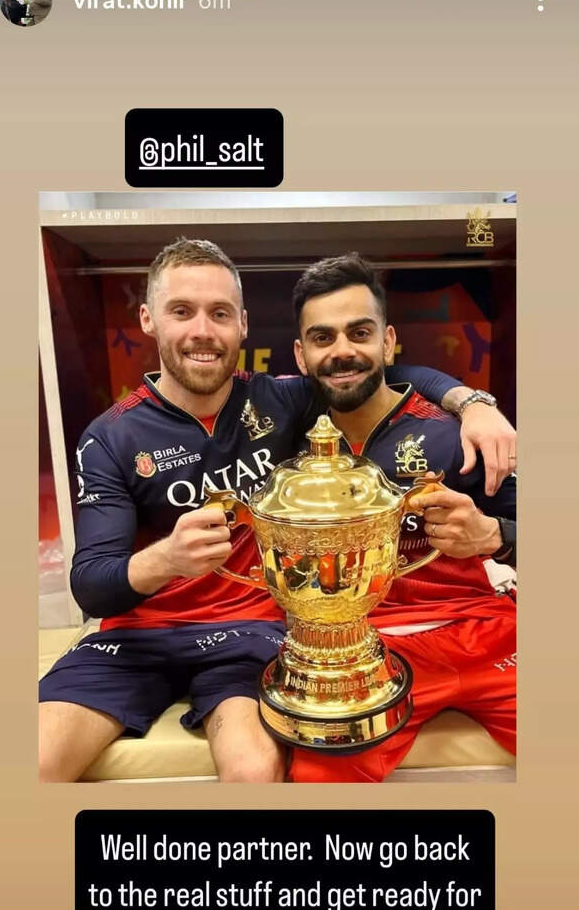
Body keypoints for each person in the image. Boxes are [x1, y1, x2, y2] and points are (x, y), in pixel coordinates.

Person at [39, 238, 516, 783]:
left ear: (242, 325)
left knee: (254, 771)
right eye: (181, 311)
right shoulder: (109, 436)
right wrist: (166, 558)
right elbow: (91, 587)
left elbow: (377, 373)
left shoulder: (282, 400)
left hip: (248, 633)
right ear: (148, 319)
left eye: (220, 313)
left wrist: (472, 403)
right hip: (133, 638)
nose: (202, 331)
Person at [288, 253, 516, 783]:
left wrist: (493, 534)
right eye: (323, 338)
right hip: (358, 652)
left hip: (483, 630)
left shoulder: (460, 435)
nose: (342, 351)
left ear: (388, 342)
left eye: (360, 333)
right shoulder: (281, 430)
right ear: (301, 355)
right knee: (316, 779)